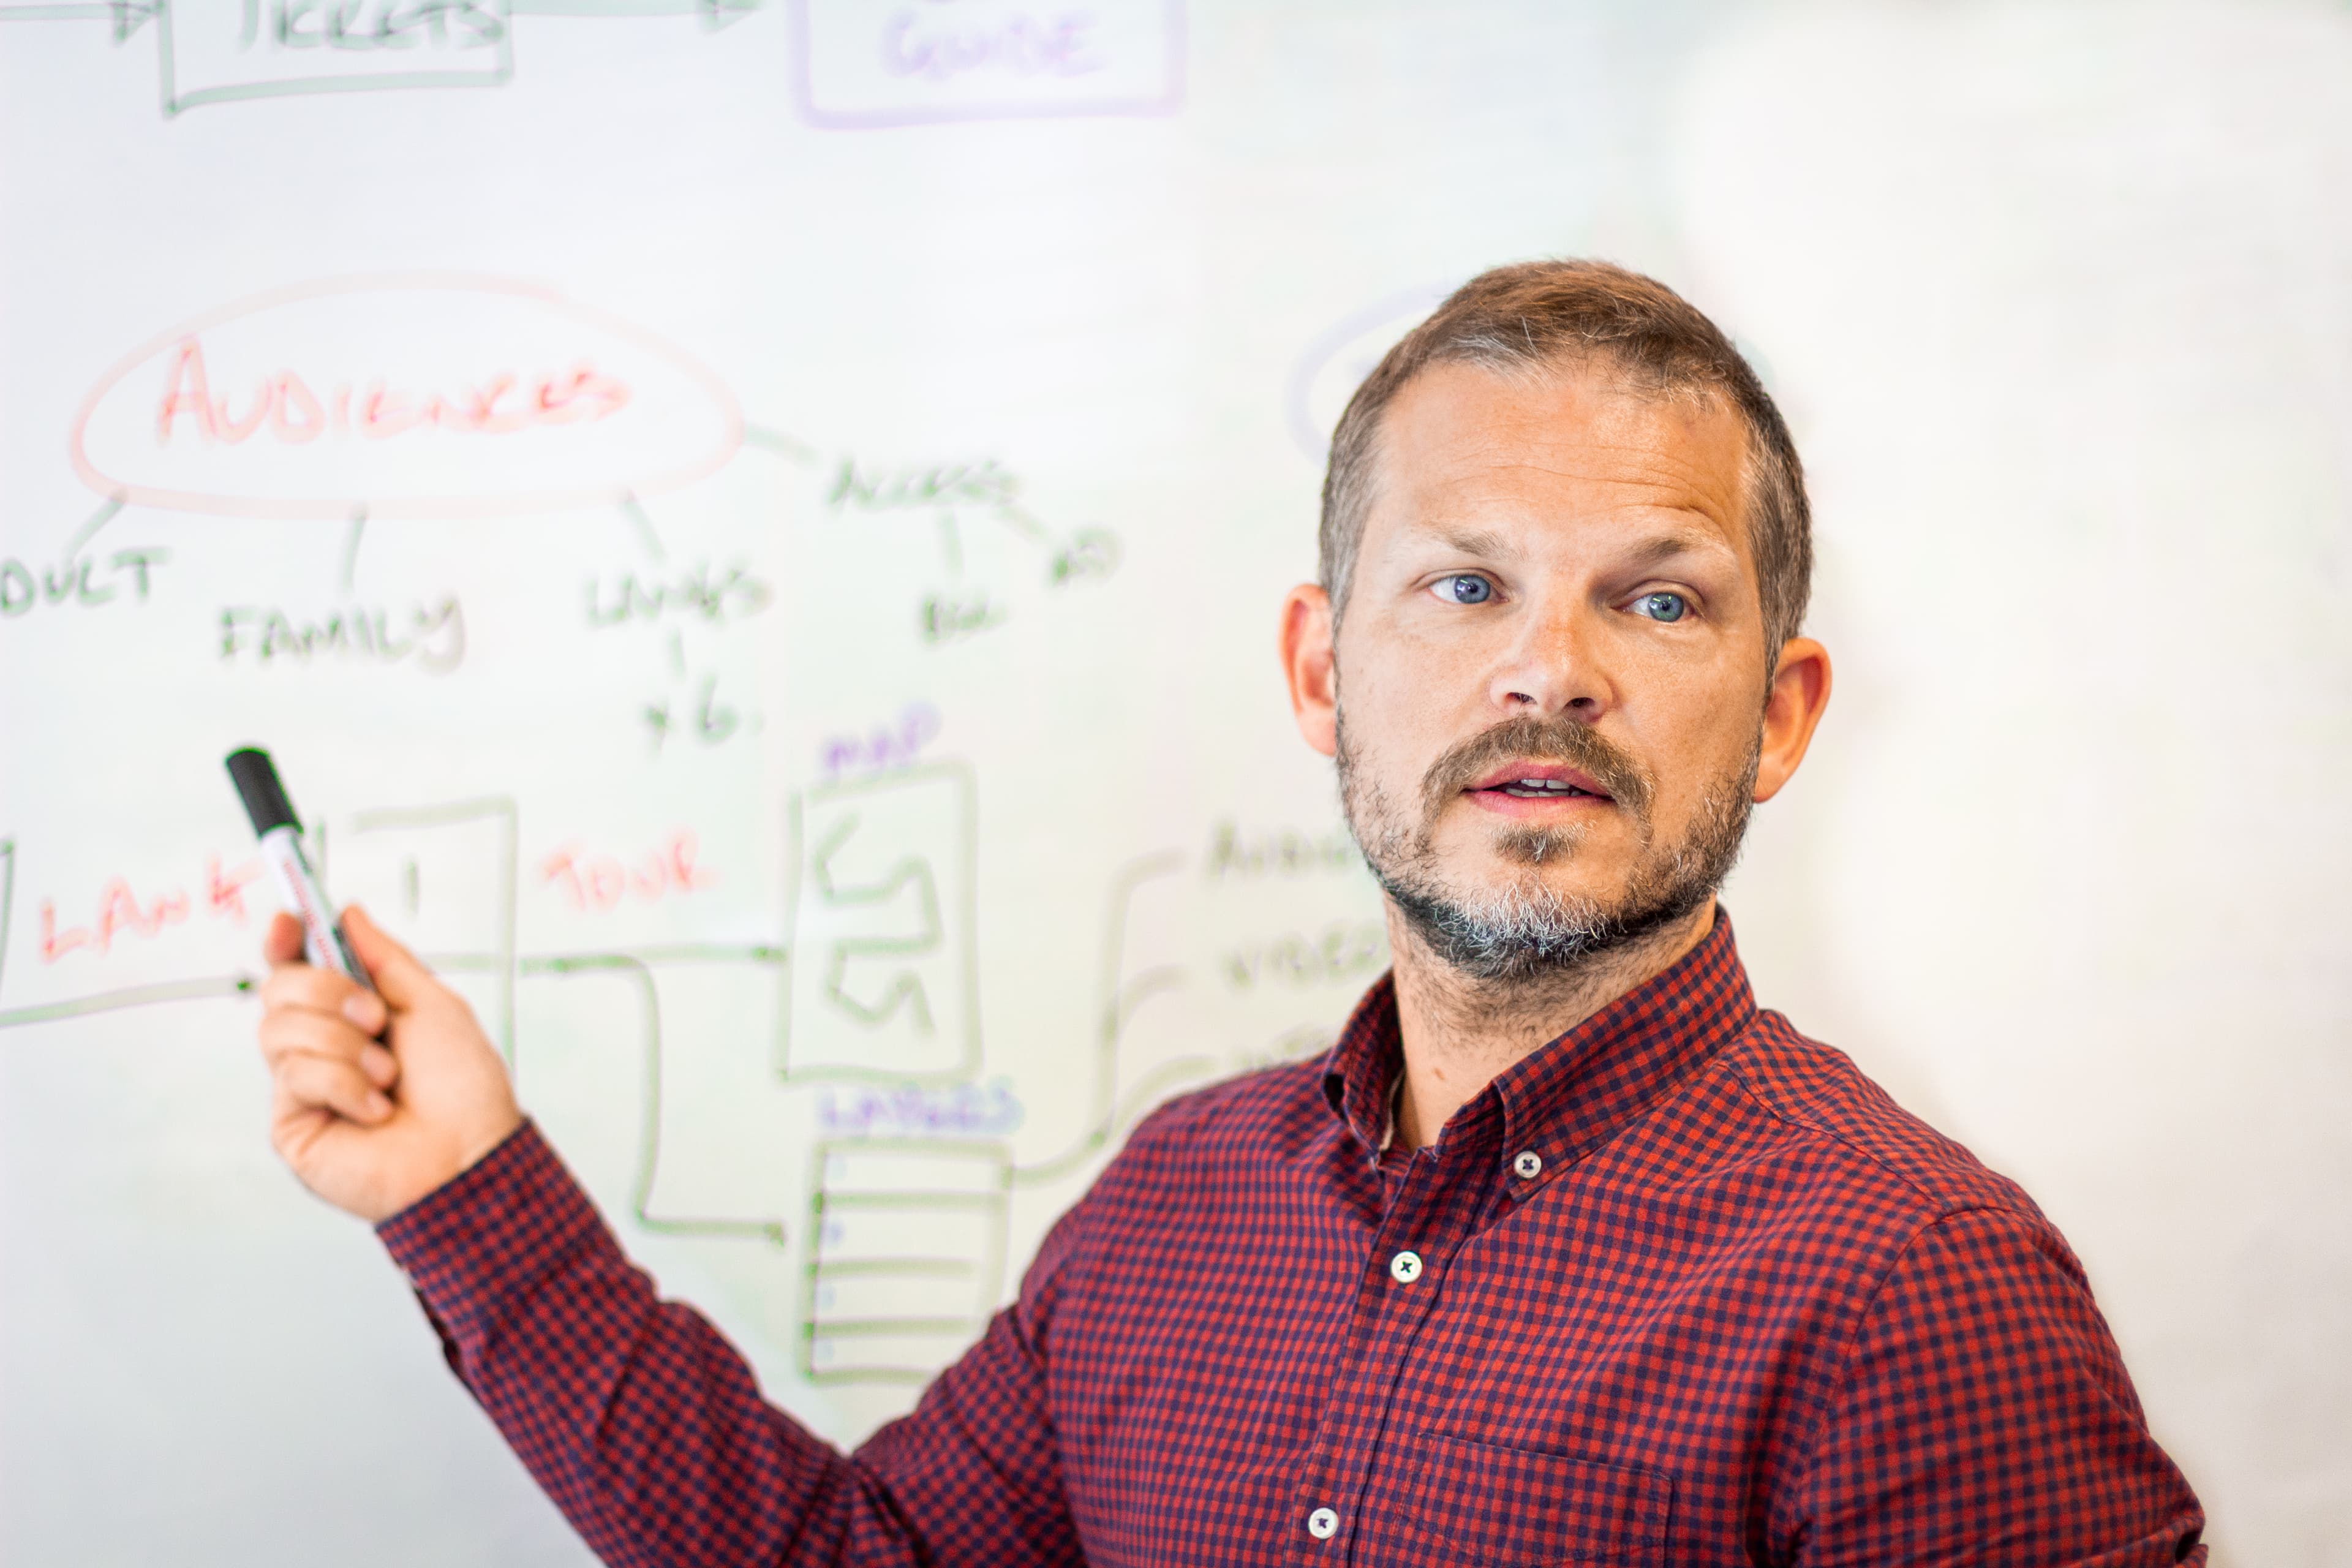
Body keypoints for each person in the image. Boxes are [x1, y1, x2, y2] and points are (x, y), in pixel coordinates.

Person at [254, 261, 2206, 1566]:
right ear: (1320, 676)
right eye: (1465, 586)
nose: (1551, 668)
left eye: (1659, 598)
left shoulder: (1917, 1287)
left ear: (1778, 715)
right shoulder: (1175, 1209)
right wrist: (467, 1187)